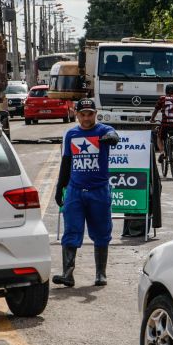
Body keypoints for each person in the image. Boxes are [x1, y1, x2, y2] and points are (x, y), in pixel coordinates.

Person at [53, 98, 120, 288]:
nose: (86, 118)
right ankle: (68, 273)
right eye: (82, 114)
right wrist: (60, 188)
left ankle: (101, 274)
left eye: (90, 114)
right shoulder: (71, 134)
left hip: (99, 191)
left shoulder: (103, 130)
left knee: (101, 231)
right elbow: (66, 163)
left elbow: (114, 135)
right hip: (75, 191)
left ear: (95, 114)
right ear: (77, 114)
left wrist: (112, 138)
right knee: (71, 230)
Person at [150, 84, 173, 162]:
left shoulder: (162, 99)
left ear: (166, 91)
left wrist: (152, 119)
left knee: (159, 137)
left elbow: (156, 110)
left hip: (165, 125)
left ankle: (162, 152)